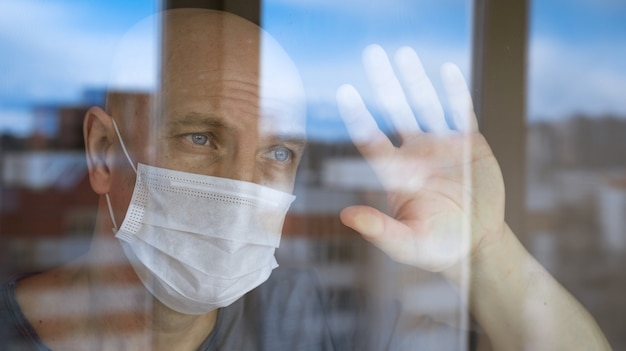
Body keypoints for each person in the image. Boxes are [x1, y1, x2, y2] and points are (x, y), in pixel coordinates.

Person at [0, 8, 610, 350]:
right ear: (105, 153)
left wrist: (486, 250)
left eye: (279, 153)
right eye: (201, 138)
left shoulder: (309, 321)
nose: (244, 188)